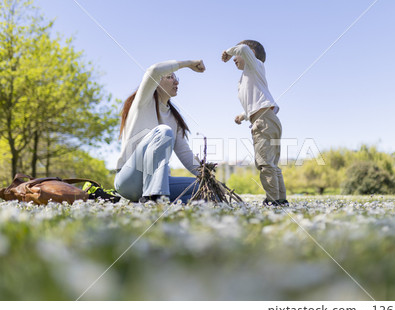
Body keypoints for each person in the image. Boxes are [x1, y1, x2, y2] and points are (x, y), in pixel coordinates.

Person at [115, 59, 205, 203]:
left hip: (161, 183)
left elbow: (186, 155)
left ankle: (165, 204)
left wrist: (208, 177)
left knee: (206, 189)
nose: (176, 82)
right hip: (130, 179)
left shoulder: (175, 119)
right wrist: (189, 64)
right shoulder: (143, 102)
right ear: (156, 83)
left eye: (176, 78)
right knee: (163, 132)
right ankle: (156, 199)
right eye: (170, 77)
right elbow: (154, 70)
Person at [222, 40, 288, 206]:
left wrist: (228, 51)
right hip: (266, 118)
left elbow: (243, 48)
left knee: (264, 162)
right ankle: (280, 200)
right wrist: (243, 116)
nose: (234, 59)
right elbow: (255, 102)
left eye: (237, 56)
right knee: (272, 164)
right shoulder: (247, 77)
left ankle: (272, 201)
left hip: (264, 121)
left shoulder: (254, 65)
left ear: (250, 53)